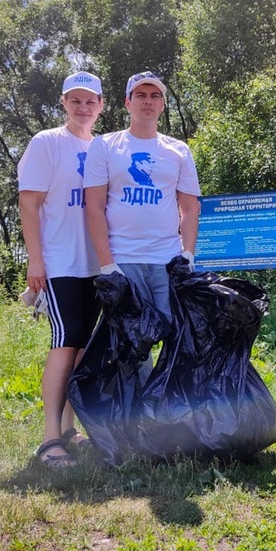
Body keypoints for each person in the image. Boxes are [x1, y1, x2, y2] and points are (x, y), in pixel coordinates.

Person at [83, 71, 201, 380]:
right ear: (127, 102)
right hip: (123, 261)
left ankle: (171, 409)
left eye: (154, 96)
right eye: (141, 95)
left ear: (162, 105)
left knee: (179, 333)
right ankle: (140, 417)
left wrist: (187, 255)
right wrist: (106, 264)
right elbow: (93, 207)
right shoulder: (105, 146)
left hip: (166, 260)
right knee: (132, 342)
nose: (148, 101)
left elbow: (189, 207)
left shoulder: (178, 150)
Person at [18, 70, 105, 468]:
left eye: (90, 100)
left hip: (96, 266)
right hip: (60, 262)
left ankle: (71, 430)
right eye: (76, 100)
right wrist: (36, 262)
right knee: (64, 342)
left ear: (101, 105)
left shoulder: (104, 147)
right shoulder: (48, 142)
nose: (83, 107)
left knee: (84, 348)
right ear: (64, 103)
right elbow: (30, 204)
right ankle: (50, 439)